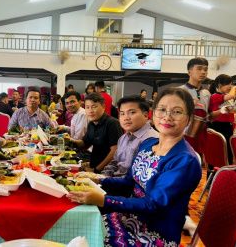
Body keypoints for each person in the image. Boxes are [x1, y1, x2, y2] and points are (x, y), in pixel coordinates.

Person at [68, 87, 202, 246]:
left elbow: (153, 204)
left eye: (177, 112)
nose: (167, 116)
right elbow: (129, 181)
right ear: (153, 113)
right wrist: (97, 181)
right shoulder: (148, 144)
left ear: (188, 119)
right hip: (126, 218)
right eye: (162, 110)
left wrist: (104, 200)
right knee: (75, 227)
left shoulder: (185, 160)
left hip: (153, 234)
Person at [102, 95, 159, 176]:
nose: (126, 118)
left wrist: (106, 181)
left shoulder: (153, 140)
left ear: (146, 115)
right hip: (112, 183)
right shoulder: (123, 138)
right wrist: (101, 177)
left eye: (132, 112)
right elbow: (115, 163)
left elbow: (140, 177)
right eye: (122, 114)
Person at [70, 93, 123, 172]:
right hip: (93, 165)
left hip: (107, 171)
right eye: (87, 107)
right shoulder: (92, 123)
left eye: (94, 107)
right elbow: (85, 143)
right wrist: (70, 140)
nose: (90, 110)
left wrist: (96, 170)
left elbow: (115, 151)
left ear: (103, 107)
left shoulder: (112, 123)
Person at [179, 57, 210, 156]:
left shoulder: (206, 93)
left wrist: (221, 111)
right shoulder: (180, 91)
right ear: (189, 72)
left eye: (205, 69)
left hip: (200, 137)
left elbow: (209, 116)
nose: (203, 72)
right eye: (199, 69)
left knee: (197, 164)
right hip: (182, 136)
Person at [208, 74, 236, 164]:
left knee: (228, 154)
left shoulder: (225, 96)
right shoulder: (215, 96)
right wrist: (235, 91)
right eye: (228, 84)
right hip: (219, 127)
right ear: (220, 85)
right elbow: (230, 96)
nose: (230, 86)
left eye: (231, 84)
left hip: (227, 127)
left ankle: (226, 175)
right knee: (219, 154)